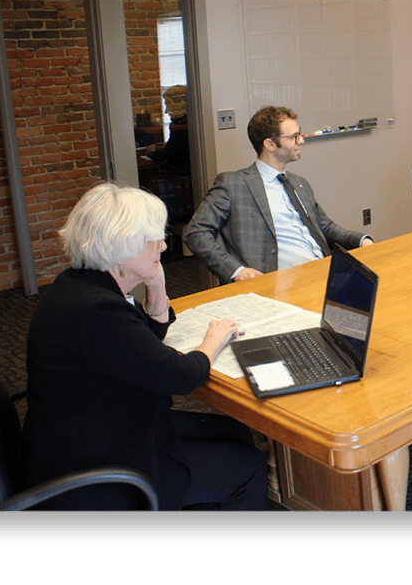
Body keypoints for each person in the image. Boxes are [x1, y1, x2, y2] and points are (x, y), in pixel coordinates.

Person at [20, 182, 269, 510]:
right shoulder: (94, 310)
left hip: (103, 430)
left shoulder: (82, 287)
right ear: (120, 245)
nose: (164, 246)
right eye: (152, 239)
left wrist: (156, 286)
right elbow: (178, 376)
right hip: (97, 467)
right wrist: (214, 340)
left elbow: (142, 340)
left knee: (234, 432)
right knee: (248, 468)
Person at [184, 105, 373, 284]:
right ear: (270, 144)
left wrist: (361, 240)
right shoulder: (233, 185)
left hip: (325, 271)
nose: (301, 141)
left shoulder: (300, 184)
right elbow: (196, 233)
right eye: (294, 137)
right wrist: (236, 271)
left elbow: (325, 228)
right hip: (280, 283)